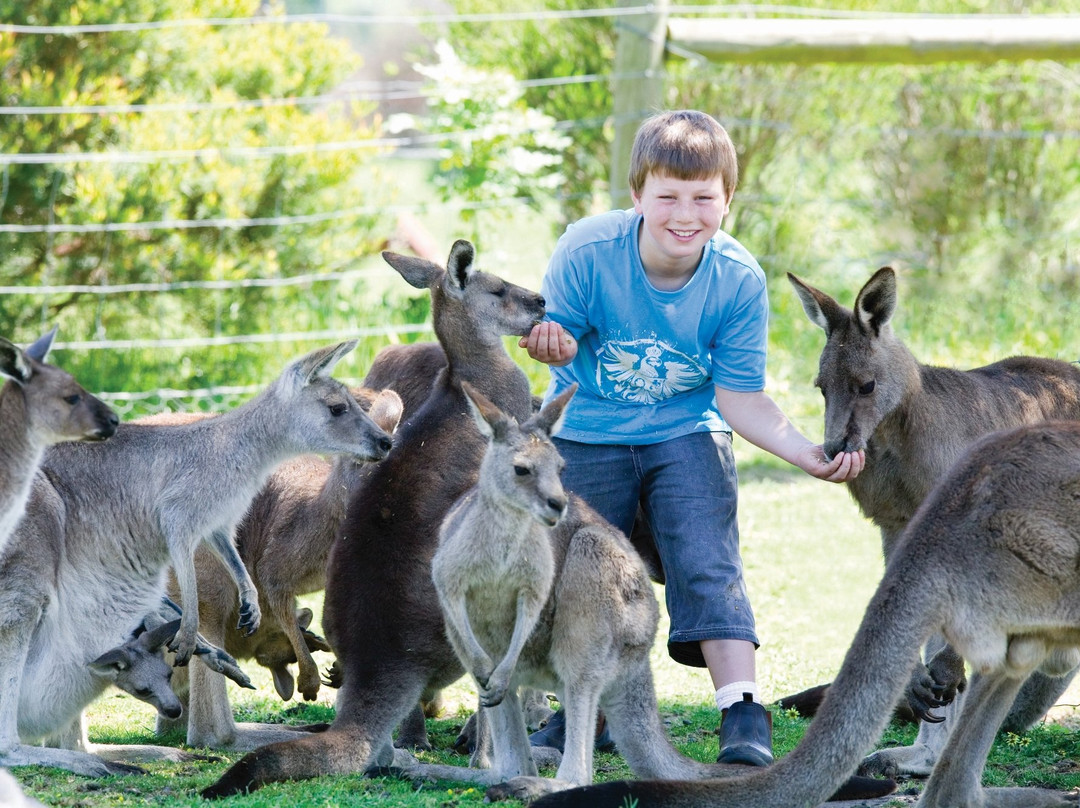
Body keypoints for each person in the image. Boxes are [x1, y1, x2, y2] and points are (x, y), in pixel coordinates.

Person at [519, 109, 864, 767]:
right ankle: (582, 710)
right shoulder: (588, 253)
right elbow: (553, 336)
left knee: (707, 556)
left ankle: (741, 710)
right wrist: (550, 343)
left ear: (727, 202)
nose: (686, 212)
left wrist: (804, 452)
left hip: (686, 429)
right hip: (588, 431)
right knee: (576, 565)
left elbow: (738, 397)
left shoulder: (736, 279)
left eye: (703, 197)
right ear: (637, 197)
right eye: (668, 195)